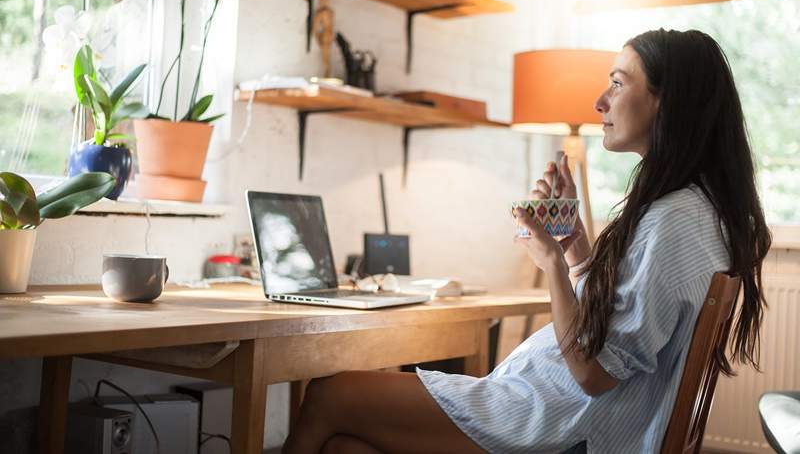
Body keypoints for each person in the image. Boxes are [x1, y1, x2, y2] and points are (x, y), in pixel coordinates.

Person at [281, 29, 771, 454]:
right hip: (549, 410)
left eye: (618, 84)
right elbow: (615, 323)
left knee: (328, 395)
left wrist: (552, 264)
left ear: (669, 101)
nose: (600, 102)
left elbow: (593, 375)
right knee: (346, 447)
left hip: (559, 429)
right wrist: (575, 245)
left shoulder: (674, 220)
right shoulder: (692, 208)